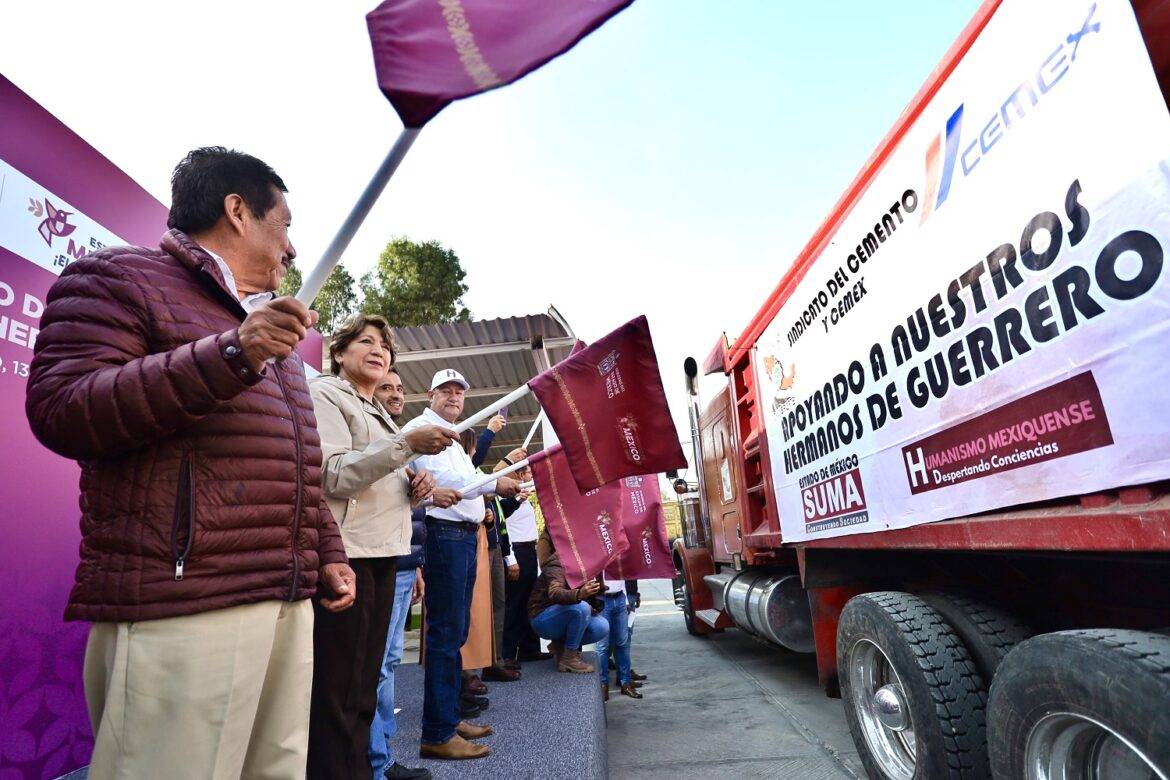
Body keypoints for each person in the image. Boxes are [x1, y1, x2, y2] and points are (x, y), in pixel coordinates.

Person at [26, 146, 355, 779]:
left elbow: (293, 467)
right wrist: (230, 354)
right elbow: (63, 409)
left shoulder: (271, 334)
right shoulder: (117, 279)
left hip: (282, 602)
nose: (292, 250)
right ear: (238, 211)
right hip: (182, 605)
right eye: (284, 225)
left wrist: (327, 552)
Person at [309, 316, 458, 779]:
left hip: (384, 556)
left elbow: (376, 479)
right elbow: (332, 473)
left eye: (385, 347)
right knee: (338, 691)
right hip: (347, 556)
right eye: (365, 342)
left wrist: (415, 483)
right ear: (338, 353)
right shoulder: (326, 396)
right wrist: (404, 445)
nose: (378, 351)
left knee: (365, 687)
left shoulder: (380, 412)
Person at [402, 370, 524, 760]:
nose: (454, 397)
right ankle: (437, 732)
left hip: (464, 537)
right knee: (445, 633)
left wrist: (488, 482)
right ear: (430, 394)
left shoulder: (454, 436)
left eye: (459, 392)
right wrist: (494, 482)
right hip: (445, 536)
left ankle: (448, 717)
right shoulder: (422, 428)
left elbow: (465, 476)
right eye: (446, 391)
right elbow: (443, 479)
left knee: (454, 633)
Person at [369, 371, 430, 780]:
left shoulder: (396, 436)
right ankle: (378, 761)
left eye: (399, 388)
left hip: (405, 562)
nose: (395, 394)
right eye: (386, 387)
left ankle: (384, 747)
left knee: (390, 659)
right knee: (377, 666)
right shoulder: (378, 437)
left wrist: (417, 566)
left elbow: (404, 508)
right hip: (378, 561)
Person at [499, 450, 549, 665]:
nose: (531, 476)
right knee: (515, 603)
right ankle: (508, 652)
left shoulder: (525, 496)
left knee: (530, 600)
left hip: (528, 551)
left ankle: (529, 647)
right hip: (516, 551)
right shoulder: (507, 497)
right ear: (519, 475)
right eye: (528, 472)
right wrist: (510, 558)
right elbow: (505, 525)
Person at [527, 551, 608, 674]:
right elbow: (555, 593)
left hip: (563, 614)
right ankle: (569, 658)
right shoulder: (557, 563)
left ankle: (561, 646)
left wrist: (595, 596)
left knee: (601, 627)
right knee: (581, 608)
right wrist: (580, 594)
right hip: (541, 618)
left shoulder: (584, 563)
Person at [596, 580, 642, 701]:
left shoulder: (617, 560)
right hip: (602, 598)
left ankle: (625, 682)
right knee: (603, 646)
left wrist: (626, 600)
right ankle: (603, 684)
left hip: (620, 597)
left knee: (622, 643)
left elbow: (622, 577)